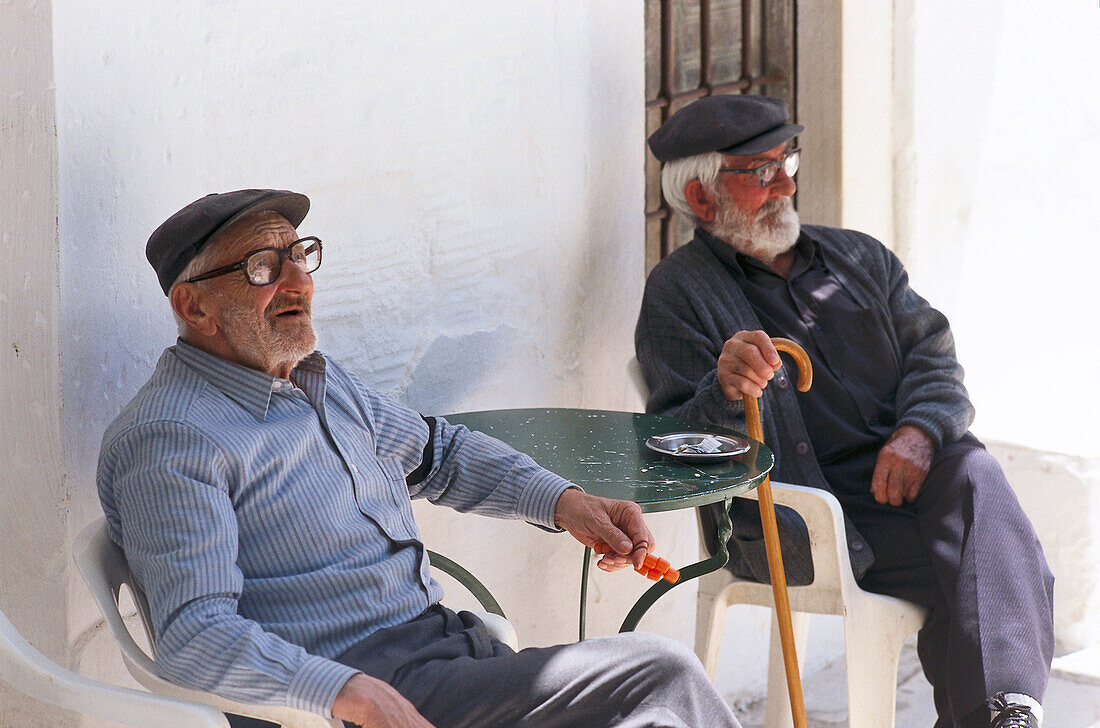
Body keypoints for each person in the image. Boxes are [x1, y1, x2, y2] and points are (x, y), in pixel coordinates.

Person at [97, 189, 743, 728]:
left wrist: (567, 503)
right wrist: (342, 689)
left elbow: (440, 453)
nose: (299, 282)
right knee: (661, 678)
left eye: (300, 256)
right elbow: (194, 636)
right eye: (264, 268)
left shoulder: (314, 380)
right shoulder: (172, 439)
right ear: (194, 305)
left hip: (449, 656)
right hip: (358, 697)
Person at [634, 95, 1054, 728]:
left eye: (787, 161)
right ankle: (1002, 713)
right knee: (987, 568)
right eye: (761, 171)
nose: (786, 184)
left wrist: (918, 431)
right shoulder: (679, 293)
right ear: (700, 196)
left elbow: (935, 359)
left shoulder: (859, 258)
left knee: (971, 472)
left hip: (909, 485)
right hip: (802, 516)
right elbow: (676, 449)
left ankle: (1005, 713)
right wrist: (723, 392)